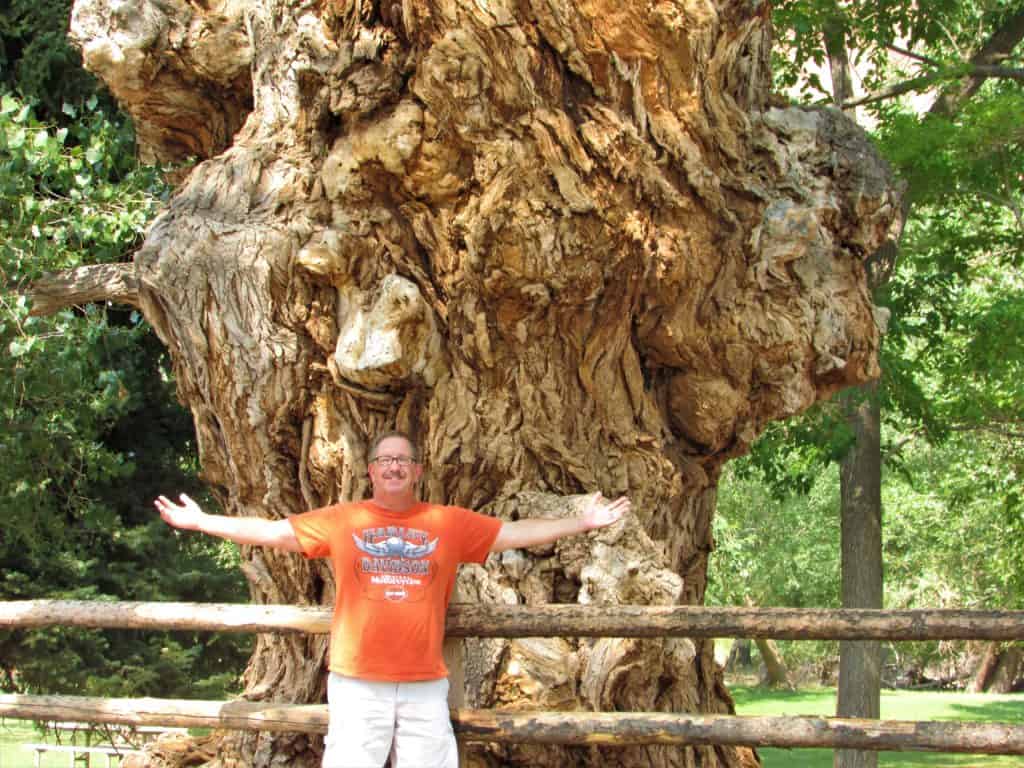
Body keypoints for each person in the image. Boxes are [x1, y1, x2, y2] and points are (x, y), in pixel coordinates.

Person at [155, 431, 629, 768]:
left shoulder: (447, 523)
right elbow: (275, 533)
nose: (395, 466)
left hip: (424, 682)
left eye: (403, 460)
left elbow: (512, 533)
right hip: (358, 681)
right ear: (372, 470)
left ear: (417, 470)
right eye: (386, 460)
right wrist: (205, 523)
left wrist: (582, 522)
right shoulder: (343, 519)